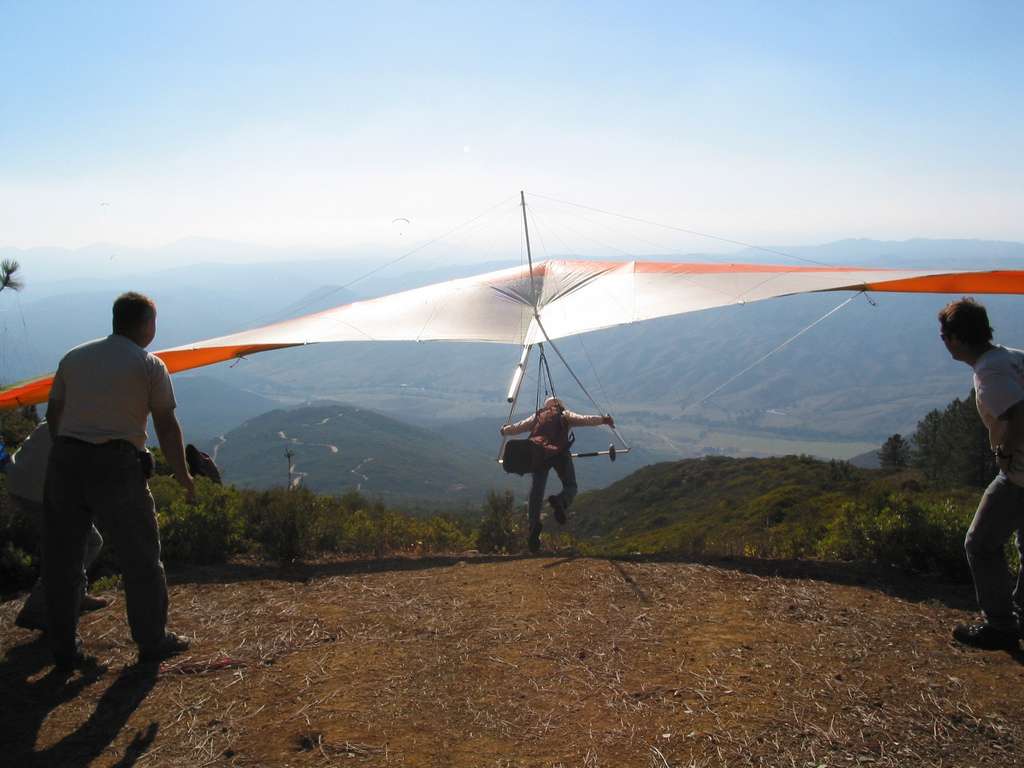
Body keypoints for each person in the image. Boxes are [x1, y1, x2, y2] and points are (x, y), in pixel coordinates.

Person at [44, 291, 196, 672]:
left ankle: (64, 649)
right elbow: (165, 423)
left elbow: (53, 413)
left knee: (62, 559)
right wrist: (182, 474)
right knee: (140, 557)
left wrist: (66, 453)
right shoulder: (148, 364)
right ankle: (151, 641)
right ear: (146, 324)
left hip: (65, 459)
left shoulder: (74, 357)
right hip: (117, 465)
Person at [939, 297, 1024, 651]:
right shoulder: (1013, 356)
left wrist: (1004, 451)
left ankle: (1001, 625)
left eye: (945, 336)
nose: (943, 342)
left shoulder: (989, 372)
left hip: (1021, 473)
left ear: (956, 339)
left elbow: (1018, 413)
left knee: (980, 544)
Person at [10, 422, 109, 630]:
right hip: (39, 491)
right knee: (67, 552)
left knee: (87, 542)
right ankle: (36, 611)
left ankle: (76, 595)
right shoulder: (88, 428)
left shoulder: (62, 414)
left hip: (21, 482)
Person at [501, 396, 613, 553]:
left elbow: (518, 427)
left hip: (540, 455)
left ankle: (533, 525)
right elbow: (585, 419)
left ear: (546, 406)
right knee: (571, 485)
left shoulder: (538, 416)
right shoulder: (565, 414)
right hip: (560, 454)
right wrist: (604, 420)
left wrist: (505, 430)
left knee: (536, 492)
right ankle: (561, 500)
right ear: (560, 405)